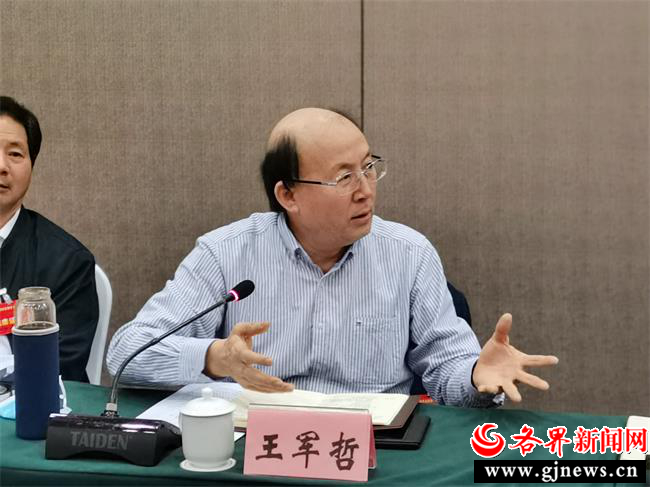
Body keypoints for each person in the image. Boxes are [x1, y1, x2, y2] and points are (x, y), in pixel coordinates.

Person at [107, 108, 557, 406]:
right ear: (288, 194)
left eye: (368, 167)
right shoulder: (225, 253)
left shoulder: (409, 255)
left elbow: (447, 369)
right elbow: (127, 352)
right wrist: (215, 357)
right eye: (344, 177)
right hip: (256, 446)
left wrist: (477, 375)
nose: (365, 190)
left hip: (374, 448)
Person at [0, 96, 99, 382]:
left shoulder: (68, 262)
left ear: (32, 166)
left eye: (15, 154)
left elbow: (61, 366)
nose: (2, 165)